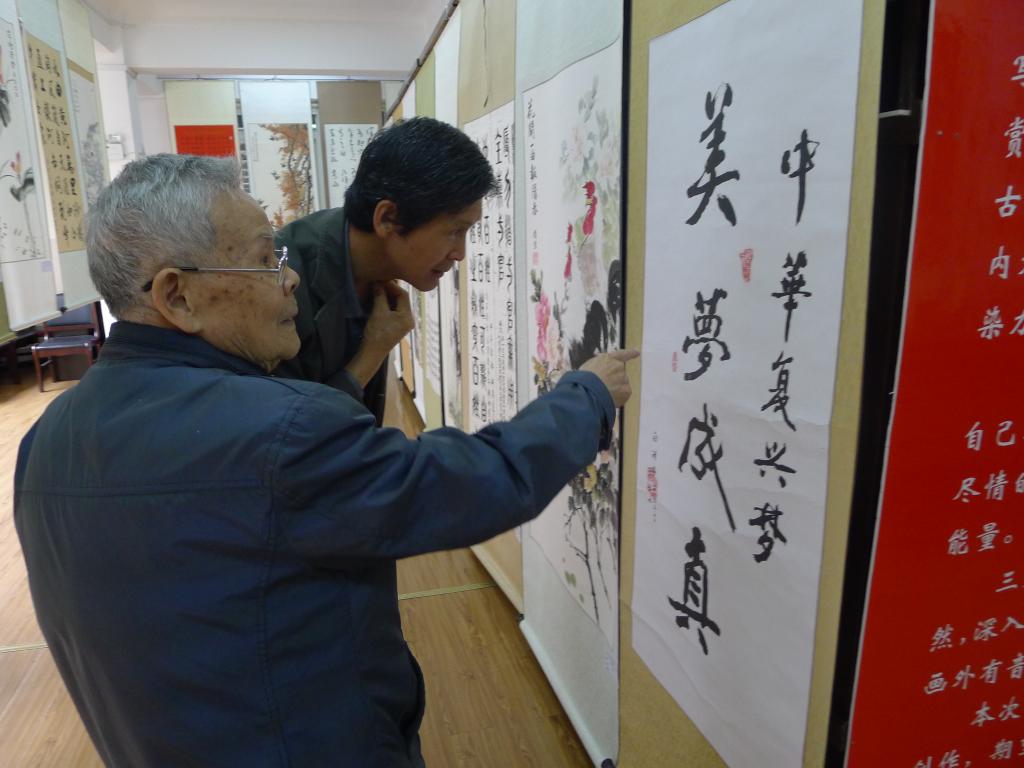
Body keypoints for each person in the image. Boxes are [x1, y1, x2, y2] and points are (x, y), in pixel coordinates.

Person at [14, 154, 637, 768]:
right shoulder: (281, 432)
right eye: (264, 260)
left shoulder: (43, 443)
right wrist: (585, 399)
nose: (289, 279)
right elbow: (468, 485)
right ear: (177, 296)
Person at [273, 117, 494, 423]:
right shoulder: (280, 286)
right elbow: (289, 435)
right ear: (388, 218)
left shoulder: (372, 269)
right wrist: (373, 351)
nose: (460, 253)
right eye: (455, 231)